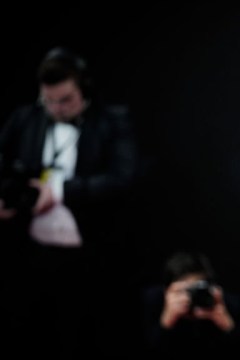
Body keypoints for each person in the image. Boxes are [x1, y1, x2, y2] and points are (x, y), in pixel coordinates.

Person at [0, 47, 138, 358]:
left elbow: (122, 178)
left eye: (66, 100)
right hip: (28, 253)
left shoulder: (112, 121)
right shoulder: (26, 118)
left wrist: (59, 191)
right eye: (49, 100)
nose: (57, 108)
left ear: (84, 89)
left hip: (88, 256)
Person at [141, 251, 240, 359]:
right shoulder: (154, 301)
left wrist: (226, 323)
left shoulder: (225, 302)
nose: (190, 297)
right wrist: (167, 320)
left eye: (197, 289)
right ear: (167, 291)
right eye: (183, 291)